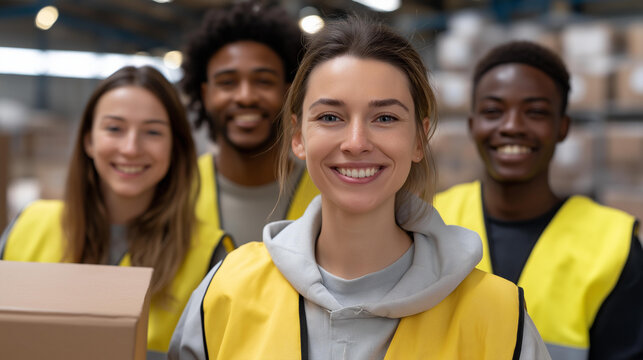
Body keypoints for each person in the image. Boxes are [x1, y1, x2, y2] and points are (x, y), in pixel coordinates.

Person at [169, 18, 551, 360]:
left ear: (420, 138)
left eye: (384, 117)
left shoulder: (499, 316)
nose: (356, 141)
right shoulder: (227, 290)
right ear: (298, 135)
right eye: (331, 116)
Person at [0, 66, 230, 360]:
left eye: (152, 131)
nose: (131, 147)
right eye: (114, 128)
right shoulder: (28, 225)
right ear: (88, 140)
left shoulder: (211, 256)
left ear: (176, 146)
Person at [434, 41, 643, 359]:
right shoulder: (429, 223)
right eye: (493, 111)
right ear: (472, 124)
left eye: (535, 112)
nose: (512, 126)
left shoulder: (614, 247)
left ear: (562, 127)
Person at [180, 0, 319, 261]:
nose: (245, 97)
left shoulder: (328, 192)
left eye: (264, 81)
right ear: (205, 94)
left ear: (289, 92)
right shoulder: (175, 192)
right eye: (227, 82)